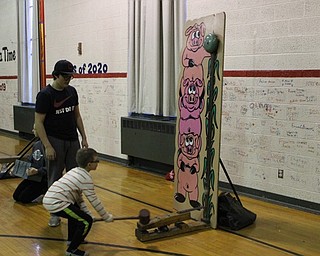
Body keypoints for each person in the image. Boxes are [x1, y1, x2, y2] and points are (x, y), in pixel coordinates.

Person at [35, 59, 88, 227]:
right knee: (55, 178)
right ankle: (55, 213)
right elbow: (39, 123)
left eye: (70, 76)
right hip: (55, 141)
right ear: (55, 75)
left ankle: (78, 208)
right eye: (65, 76)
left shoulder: (72, 92)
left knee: (76, 177)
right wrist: (48, 146)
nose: (68, 79)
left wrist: (84, 137)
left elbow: (77, 116)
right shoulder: (45, 95)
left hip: (72, 140)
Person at [43, 148, 113, 256]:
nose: (98, 162)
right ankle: (72, 250)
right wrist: (106, 217)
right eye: (96, 161)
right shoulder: (85, 178)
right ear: (89, 164)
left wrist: (87, 212)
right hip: (56, 203)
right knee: (86, 221)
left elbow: (78, 198)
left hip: (53, 199)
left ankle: (72, 239)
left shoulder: (75, 170)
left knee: (78, 213)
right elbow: (94, 201)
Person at [12, 126, 48, 204]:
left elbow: (52, 168)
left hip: (43, 179)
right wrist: (19, 168)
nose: (32, 131)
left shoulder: (49, 147)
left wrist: (38, 171)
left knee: (23, 199)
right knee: (16, 196)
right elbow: (30, 160)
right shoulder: (36, 144)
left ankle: (44, 191)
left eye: (34, 129)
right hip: (34, 177)